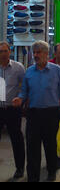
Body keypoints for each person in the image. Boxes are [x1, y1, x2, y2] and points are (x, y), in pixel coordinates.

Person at [13, 41, 60, 182]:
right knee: (32, 148)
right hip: (33, 114)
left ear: (46, 54)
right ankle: (33, 177)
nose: (36, 55)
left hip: (52, 113)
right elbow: (24, 92)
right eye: (35, 52)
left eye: (39, 52)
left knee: (51, 145)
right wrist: (20, 99)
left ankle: (51, 171)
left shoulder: (56, 70)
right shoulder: (29, 71)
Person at [0, 41, 26, 179]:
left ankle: (20, 168)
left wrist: (21, 98)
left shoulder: (18, 68)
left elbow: (25, 86)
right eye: (0, 51)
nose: (3, 54)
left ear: (9, 51)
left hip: (12, 109)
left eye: (5, 51)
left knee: (17, 140)